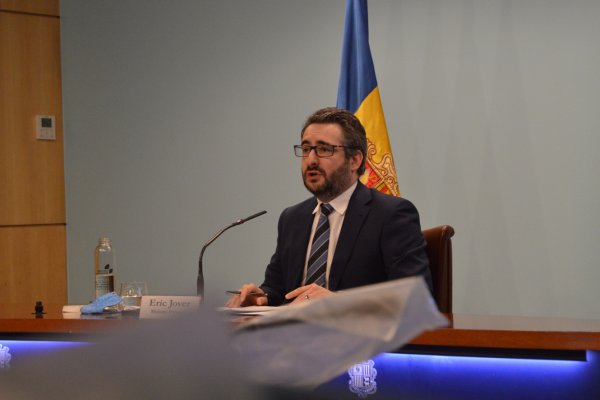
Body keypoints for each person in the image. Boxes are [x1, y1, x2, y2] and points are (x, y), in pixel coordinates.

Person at [226, 107, 431, 307]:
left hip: (357, 329)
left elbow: (416, 296)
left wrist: (337, 302)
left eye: (324, 149)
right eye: (306, 149)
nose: (311, 160)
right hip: (293, 328)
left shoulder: (390, 214)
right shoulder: (292, 218)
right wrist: (262, 296)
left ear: (355, 160)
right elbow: (277, 287)